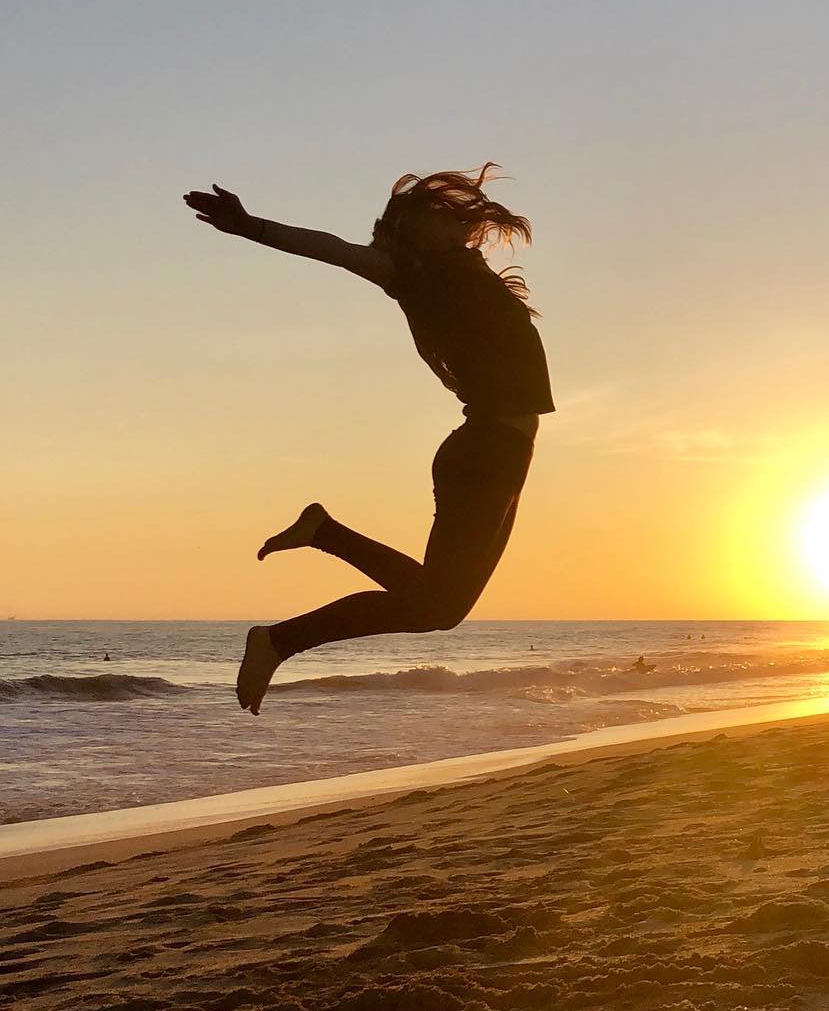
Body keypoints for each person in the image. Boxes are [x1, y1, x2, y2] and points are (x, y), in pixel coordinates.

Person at [183, 165, 553, 714]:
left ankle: (322, 535)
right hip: (483, 452)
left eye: (451, 216)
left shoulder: (469, 270)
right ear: (410, 233)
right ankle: (278, 637)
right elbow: (332, 249)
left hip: (506, 452)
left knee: (437, 606)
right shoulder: (412, 274)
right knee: (435, 605)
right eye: (430, 217)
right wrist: (251, 225)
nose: (449, 223)